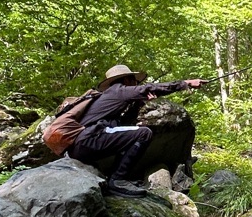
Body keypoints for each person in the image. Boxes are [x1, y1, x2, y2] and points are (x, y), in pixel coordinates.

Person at [69, 64, 203, 197]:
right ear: (126, 79)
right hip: (90, 138)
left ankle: (116, 179)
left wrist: (140, 102)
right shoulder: (118, 90)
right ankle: (117, 180)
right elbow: (150, 88)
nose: (137, 84)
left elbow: (121, 127)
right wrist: (186, 83)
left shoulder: (111, 96)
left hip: (83, 144)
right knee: (144, 133)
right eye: (135, 81)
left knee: (132, 135)